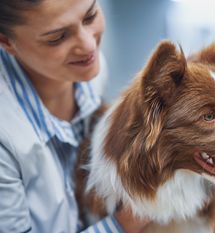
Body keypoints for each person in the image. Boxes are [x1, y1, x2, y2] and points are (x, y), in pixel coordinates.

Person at [0, 0, 149, 232]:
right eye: (57, 38)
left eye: (90, 16)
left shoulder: (90, 73)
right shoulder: (5, 137)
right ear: (6, 41)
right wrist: (124, 223)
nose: (89, 45)